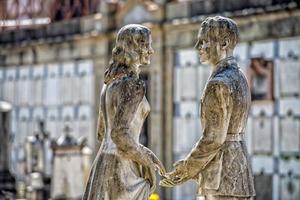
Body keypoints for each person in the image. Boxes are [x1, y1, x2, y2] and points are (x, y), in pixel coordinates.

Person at [160, 16, 255, 200]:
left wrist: (187, 169)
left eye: (204, 41)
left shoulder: (218, 84)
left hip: (221, 176)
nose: (198, 47)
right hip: (239, 170)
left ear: (224, 43)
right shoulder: (239, 76)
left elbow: (213, 138)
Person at [83, 24, 165, 200]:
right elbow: (120, 134)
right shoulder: (133, 85)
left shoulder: (109, 85)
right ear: (133, 47)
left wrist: (145, 151)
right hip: (123, 172)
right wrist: (146, 162)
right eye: (146, 45)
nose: (151, 51)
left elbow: (102, 133)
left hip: (103, 165)